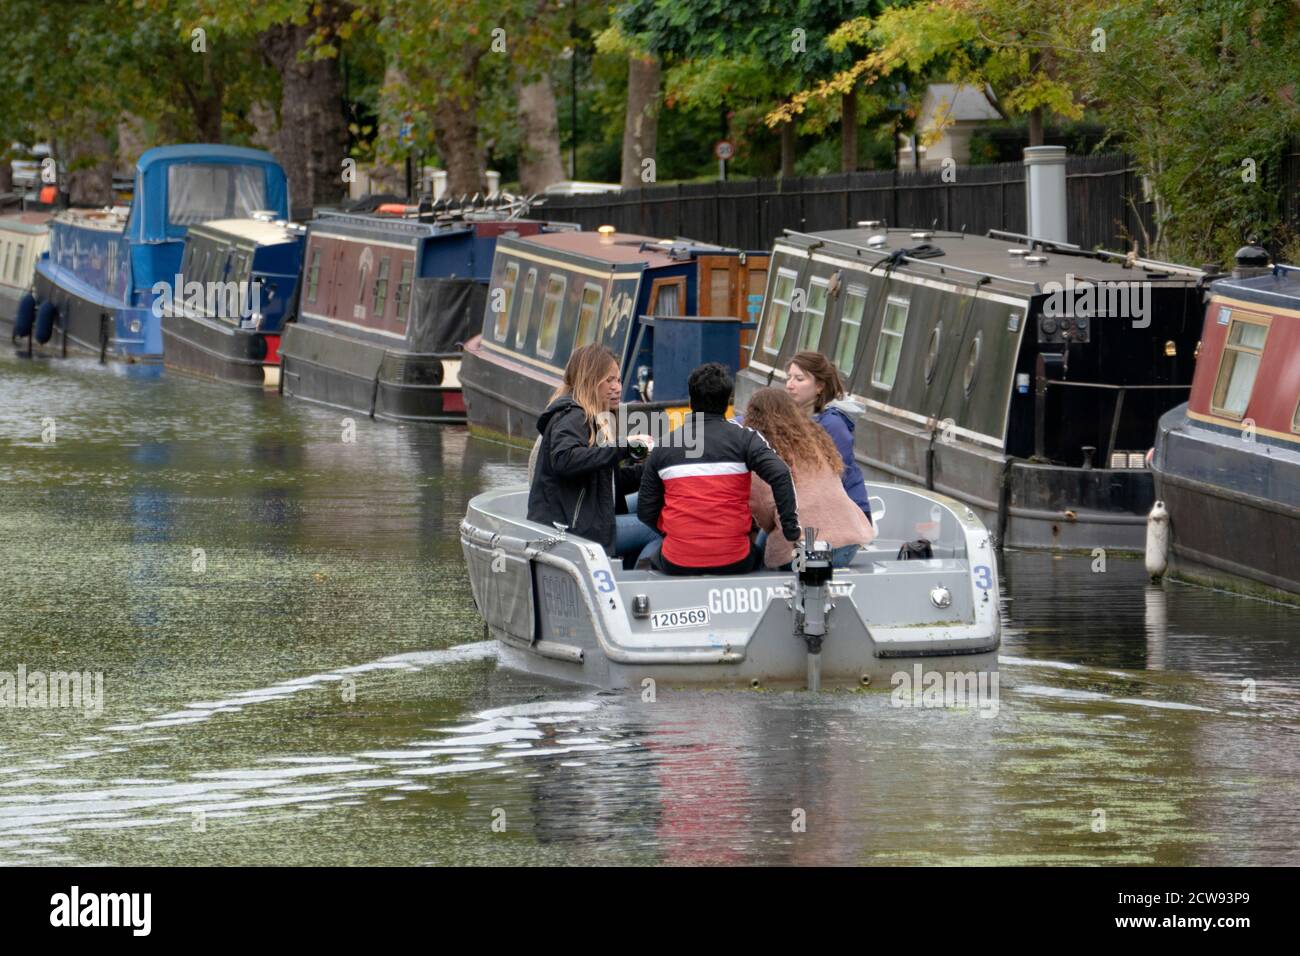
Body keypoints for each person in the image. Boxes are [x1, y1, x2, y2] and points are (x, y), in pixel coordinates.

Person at [638, 363, 801, 575]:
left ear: (691, 401)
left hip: (678, 560)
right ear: (727, 403)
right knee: (762, 557)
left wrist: (674, 530)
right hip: (735, 560)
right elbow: (780, 473)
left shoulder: (664, 446)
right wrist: (791, 529)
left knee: (649, 557)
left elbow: (645, 510)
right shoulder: (746, 438)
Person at [527, 344, 656, 562]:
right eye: (609, 380)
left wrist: (653, 467)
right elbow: (564, 459)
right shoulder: (572, 416)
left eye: (618, 380)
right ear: (590, 380)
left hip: (581, 521)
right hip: (570, 531)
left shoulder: (594, 419)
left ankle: (621, 572)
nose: (617, 387)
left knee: (649, 511)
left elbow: (611, 482)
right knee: (657, 527)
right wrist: (624, 447)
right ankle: (631, 584)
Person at [743, 387, 876, 569]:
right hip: (847, 546)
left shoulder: (762, 455)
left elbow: (763, 512)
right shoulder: (817, 445)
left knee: (757, 560)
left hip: (806, 555)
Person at [784, 350, 872, 523]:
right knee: (768, 543)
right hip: (810, 510)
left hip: (843, 517)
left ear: (819, 386)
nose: (789, 384)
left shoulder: (833, 424)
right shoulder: (792, 416)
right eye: (789, 377)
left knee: (802, 548)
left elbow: (837, 473)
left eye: (799, 379)